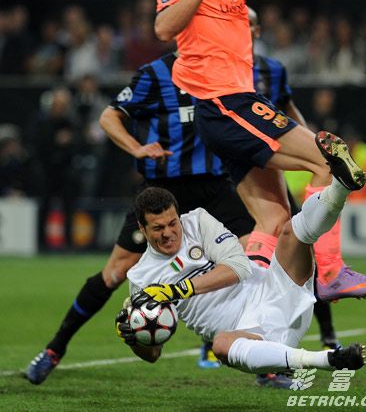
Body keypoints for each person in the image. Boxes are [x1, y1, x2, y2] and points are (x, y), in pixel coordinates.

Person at [153, 0, 366, 299]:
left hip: (230, 108)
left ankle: (243, 309)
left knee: (273, 220)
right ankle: (330, 272)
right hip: (225, 103)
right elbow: (164, 28)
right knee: (328, 161)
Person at [25, 51, 255, 385]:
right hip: (162, 191)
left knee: (255, 250)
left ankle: (266, 352)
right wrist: (136, 148)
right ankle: (54, 349)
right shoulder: (154, 74)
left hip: (213, 185)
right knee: (115, 272)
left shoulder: (223, 68)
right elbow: (108, 117)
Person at [115, 169, 366, 375]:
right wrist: (133, 337)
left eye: (173, 223)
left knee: (290, 231)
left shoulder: (197, 222)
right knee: (220, 345)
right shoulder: (141, 277)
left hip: (276, 291)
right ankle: (328, 359)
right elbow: (153, 354)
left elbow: (238, 267)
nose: (169, 233)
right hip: (252, 336)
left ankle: (341, 186)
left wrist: (178, 289)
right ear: (142, 228)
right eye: (158, 228)